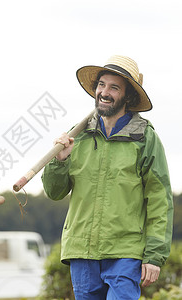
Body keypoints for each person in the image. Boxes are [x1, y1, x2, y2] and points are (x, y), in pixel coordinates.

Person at [41, 55, 173, 299]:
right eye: (101, 85)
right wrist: (60, 161)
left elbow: (159, 199)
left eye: (114, 87)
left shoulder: (145, 138)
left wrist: (154, 255)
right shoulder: (76, 136)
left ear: (128, 96)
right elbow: (54, 191)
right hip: (82, 251)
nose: (105, 92)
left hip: (125, 252)